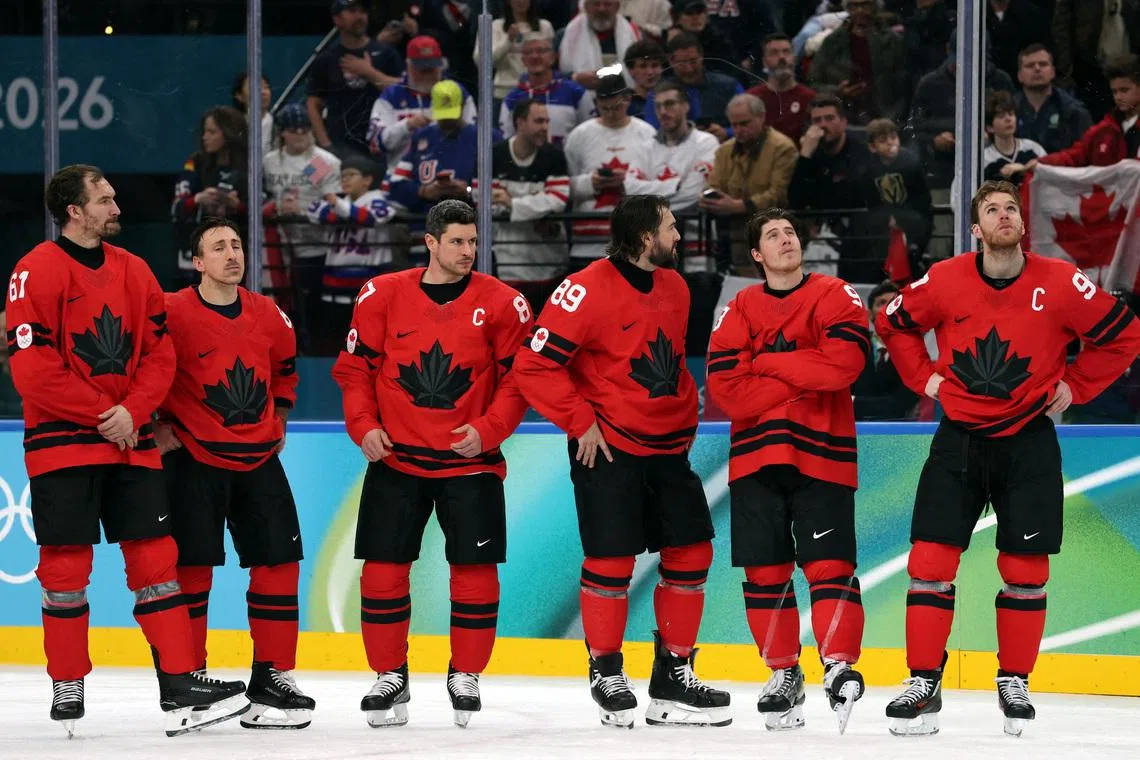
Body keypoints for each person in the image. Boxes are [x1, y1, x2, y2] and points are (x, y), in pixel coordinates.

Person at [876, 180, 1140, 737]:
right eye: (992, 209)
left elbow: (1125, 336)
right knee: (929, 563)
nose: (1004, 215)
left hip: (1029, 439)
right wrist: (924, 378)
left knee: (1025, 570)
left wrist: (1077, 385)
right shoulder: (944, 279)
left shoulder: (1061, 280)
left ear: (1022, 223)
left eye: (1012, 209)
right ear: (975, 228)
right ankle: (923, 682)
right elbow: (892, 324)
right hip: (958, 437)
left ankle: (1014, 680)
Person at [7, 165, 247, 737]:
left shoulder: (135, 270)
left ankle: (180, 680)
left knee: (156, 561)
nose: (116, 208)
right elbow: (33, 369)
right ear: (74, 211)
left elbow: (160, 355)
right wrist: (105, 413)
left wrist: (133, 413)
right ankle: (68, 683)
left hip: (130, 442)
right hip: (64, 444)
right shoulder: (35, 269)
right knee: (66, 566)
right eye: (104, 200)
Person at [513, 194, 730, 729]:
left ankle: (674, 674)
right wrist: (579, 421)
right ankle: (606, 671)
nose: (678, 236)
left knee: (692, 553)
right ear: (644, 237)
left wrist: (685, 422)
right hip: (607, 444)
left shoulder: (677, 287)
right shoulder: (583, 289)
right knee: (611, 560)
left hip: (668, 448)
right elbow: (534, 365)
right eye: (671, 228)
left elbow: (668, 364)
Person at [331, 200, 533, 729]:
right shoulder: (381, 294)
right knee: (382, 573)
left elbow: (520, 380)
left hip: (472, 463)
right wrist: (362, 425)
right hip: (396, 460)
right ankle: (389, 674)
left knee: (474, 574)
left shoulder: (505, 303)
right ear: (430, 242)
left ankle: (465, 674)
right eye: (457, 241)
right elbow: (354, 371)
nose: (468, 251)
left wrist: (490, 429)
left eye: (473, 241)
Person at [704, 209, 870, 734]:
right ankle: (783, 673)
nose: (785, 240)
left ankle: (838, 665)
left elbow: (844, 365)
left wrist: (763, 364)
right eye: (773, 236)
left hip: (823, 453)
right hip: (755, 457)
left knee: (829, 566)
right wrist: (806, 372)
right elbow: (727, 392)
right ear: (756, 254)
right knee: (765, 572)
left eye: (791, 232)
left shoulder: (836, 295)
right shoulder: (738, 308)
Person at [154, 218, 314, 729]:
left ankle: (272, 677)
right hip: (192, 458)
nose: (232, 254)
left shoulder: (269, 314)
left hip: (260, 458)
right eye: (219, 247)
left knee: (279, 563)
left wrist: (280, 416)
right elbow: (143, 367)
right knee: (191, 571)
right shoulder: (170, 311)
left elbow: (285, 371)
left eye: (237, 245)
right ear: (197, 262)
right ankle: (190, 681)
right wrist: (154, 424)